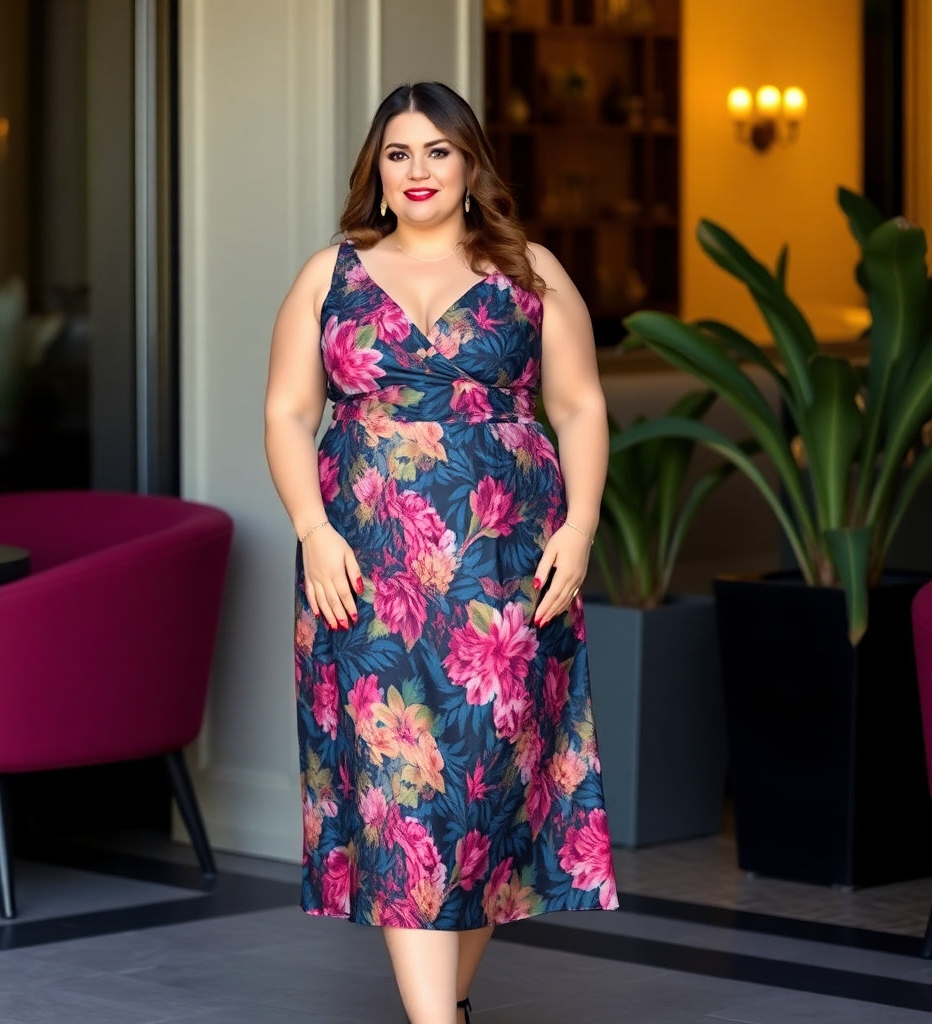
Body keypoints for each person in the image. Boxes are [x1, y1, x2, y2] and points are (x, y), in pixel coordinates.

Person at [264, 81, 616, 1024]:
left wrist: (578, 530)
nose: (417, 171)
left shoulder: (528, 271)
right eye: (397, 153)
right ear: (376, 174)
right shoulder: (329, 273)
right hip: (362, 568)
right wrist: (312, 527)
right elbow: (289, 412)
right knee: (401, 795)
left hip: (507, 575)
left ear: (469, 166)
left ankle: (448, 1007)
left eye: (437, 152)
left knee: (484, 795)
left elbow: (578, 404)